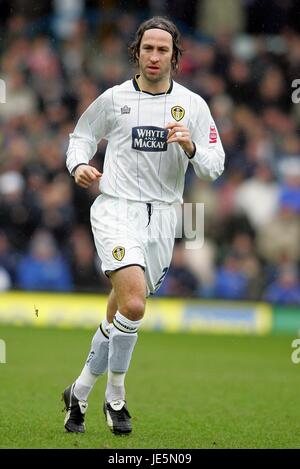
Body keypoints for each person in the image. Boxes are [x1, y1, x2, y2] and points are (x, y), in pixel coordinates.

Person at [63, 16, 225, 435]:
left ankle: (78, 391)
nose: (155, 56)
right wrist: (80, 164)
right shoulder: (114, 99)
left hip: (165, 216)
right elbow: (80, 137)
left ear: (175, 57)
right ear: (136, 52)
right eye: (148, 48)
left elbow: (214, 166)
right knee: (135, 304)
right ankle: (115, 396)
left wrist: (189, 144)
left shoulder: (192, 106)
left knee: (121, 310)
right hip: (117, 210)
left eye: (163, 50)